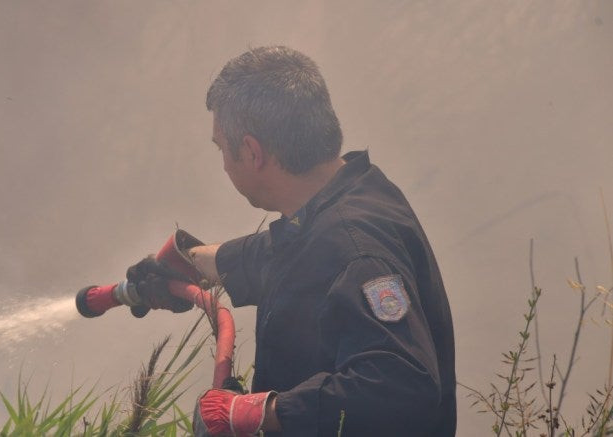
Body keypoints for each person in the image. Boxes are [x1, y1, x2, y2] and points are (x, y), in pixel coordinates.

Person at [127, 46, 456, 436]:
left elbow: (404, 386)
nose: (224, 164)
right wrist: (191, 260)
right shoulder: (351, 194)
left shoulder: (357, 250)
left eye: (221, 149)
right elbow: (293, 253)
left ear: (251, 152)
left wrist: (254, 412)